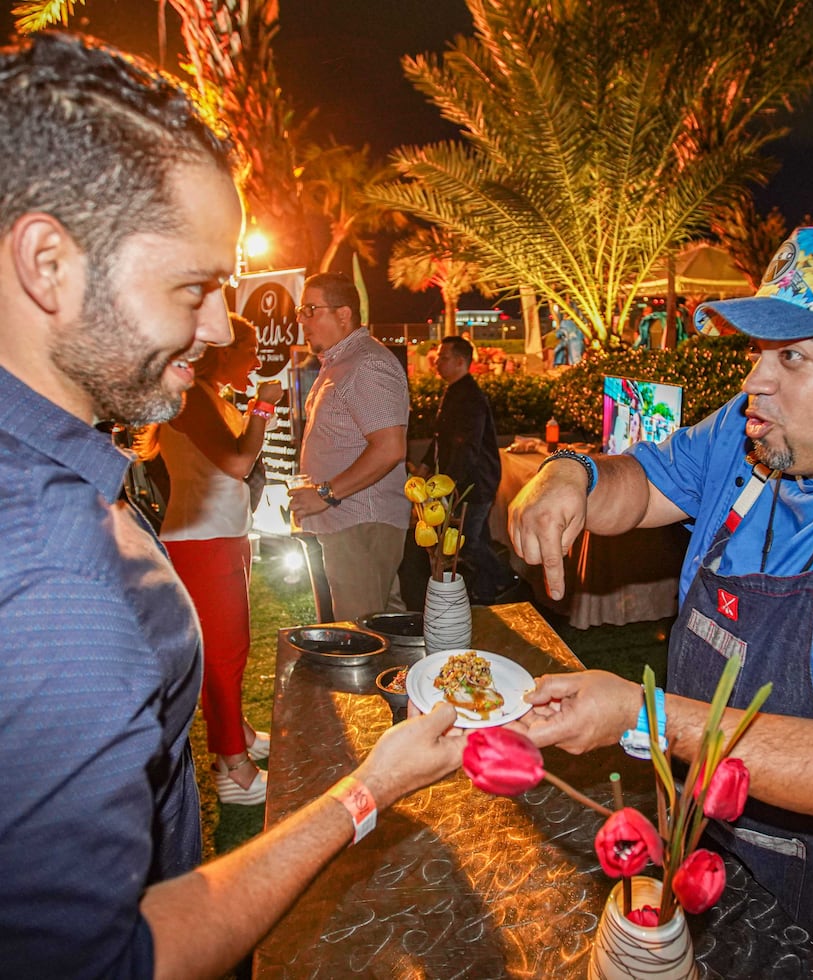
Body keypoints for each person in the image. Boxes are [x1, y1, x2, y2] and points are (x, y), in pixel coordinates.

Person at [0, 31, 464, 978]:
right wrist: (364, 793)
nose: (219, 326)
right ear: (48, 263)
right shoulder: (55, 582)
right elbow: (110, 957)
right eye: (194, 287)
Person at [508, 225, 813, 979]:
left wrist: (643, 716)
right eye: (759, 352)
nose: (754, 381)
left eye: (792, 356)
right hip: (701, 839)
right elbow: (643, 483)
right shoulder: (752, 429)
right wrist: (574, 475)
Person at [157, 313, 282, 805]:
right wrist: (263, 407)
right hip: (201, 543)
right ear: (222, 352)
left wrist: (252, 407)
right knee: (225, 655)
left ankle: (235, 738)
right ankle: (234, 769)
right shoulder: (189, 398)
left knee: (226, 650)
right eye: (248, 350)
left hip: (221, 537)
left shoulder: (209, 397)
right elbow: (236, 463)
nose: (255, 362)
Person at [288, 271, 411, 623]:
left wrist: (325, 493)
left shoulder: (366, 364)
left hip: (361, 520)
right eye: (301, 311)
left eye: (311, 310)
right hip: (348, 520)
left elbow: (389, 448)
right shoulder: (340, 363)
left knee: (362, 633)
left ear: (343, 314)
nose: (302, 320)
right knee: (380, 626)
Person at [420, 336, 514, 605]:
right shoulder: (456, 391)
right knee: (476, 537)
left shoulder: (469, 397)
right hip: (467, 480)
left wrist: (446, 484)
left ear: (461, 362)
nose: (437, 363)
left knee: (468, 541)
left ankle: (505, 578)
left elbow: (466, 446)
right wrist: (427, 467)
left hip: (475, 481)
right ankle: (486, 592)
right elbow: (442, 439)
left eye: (443, 358)